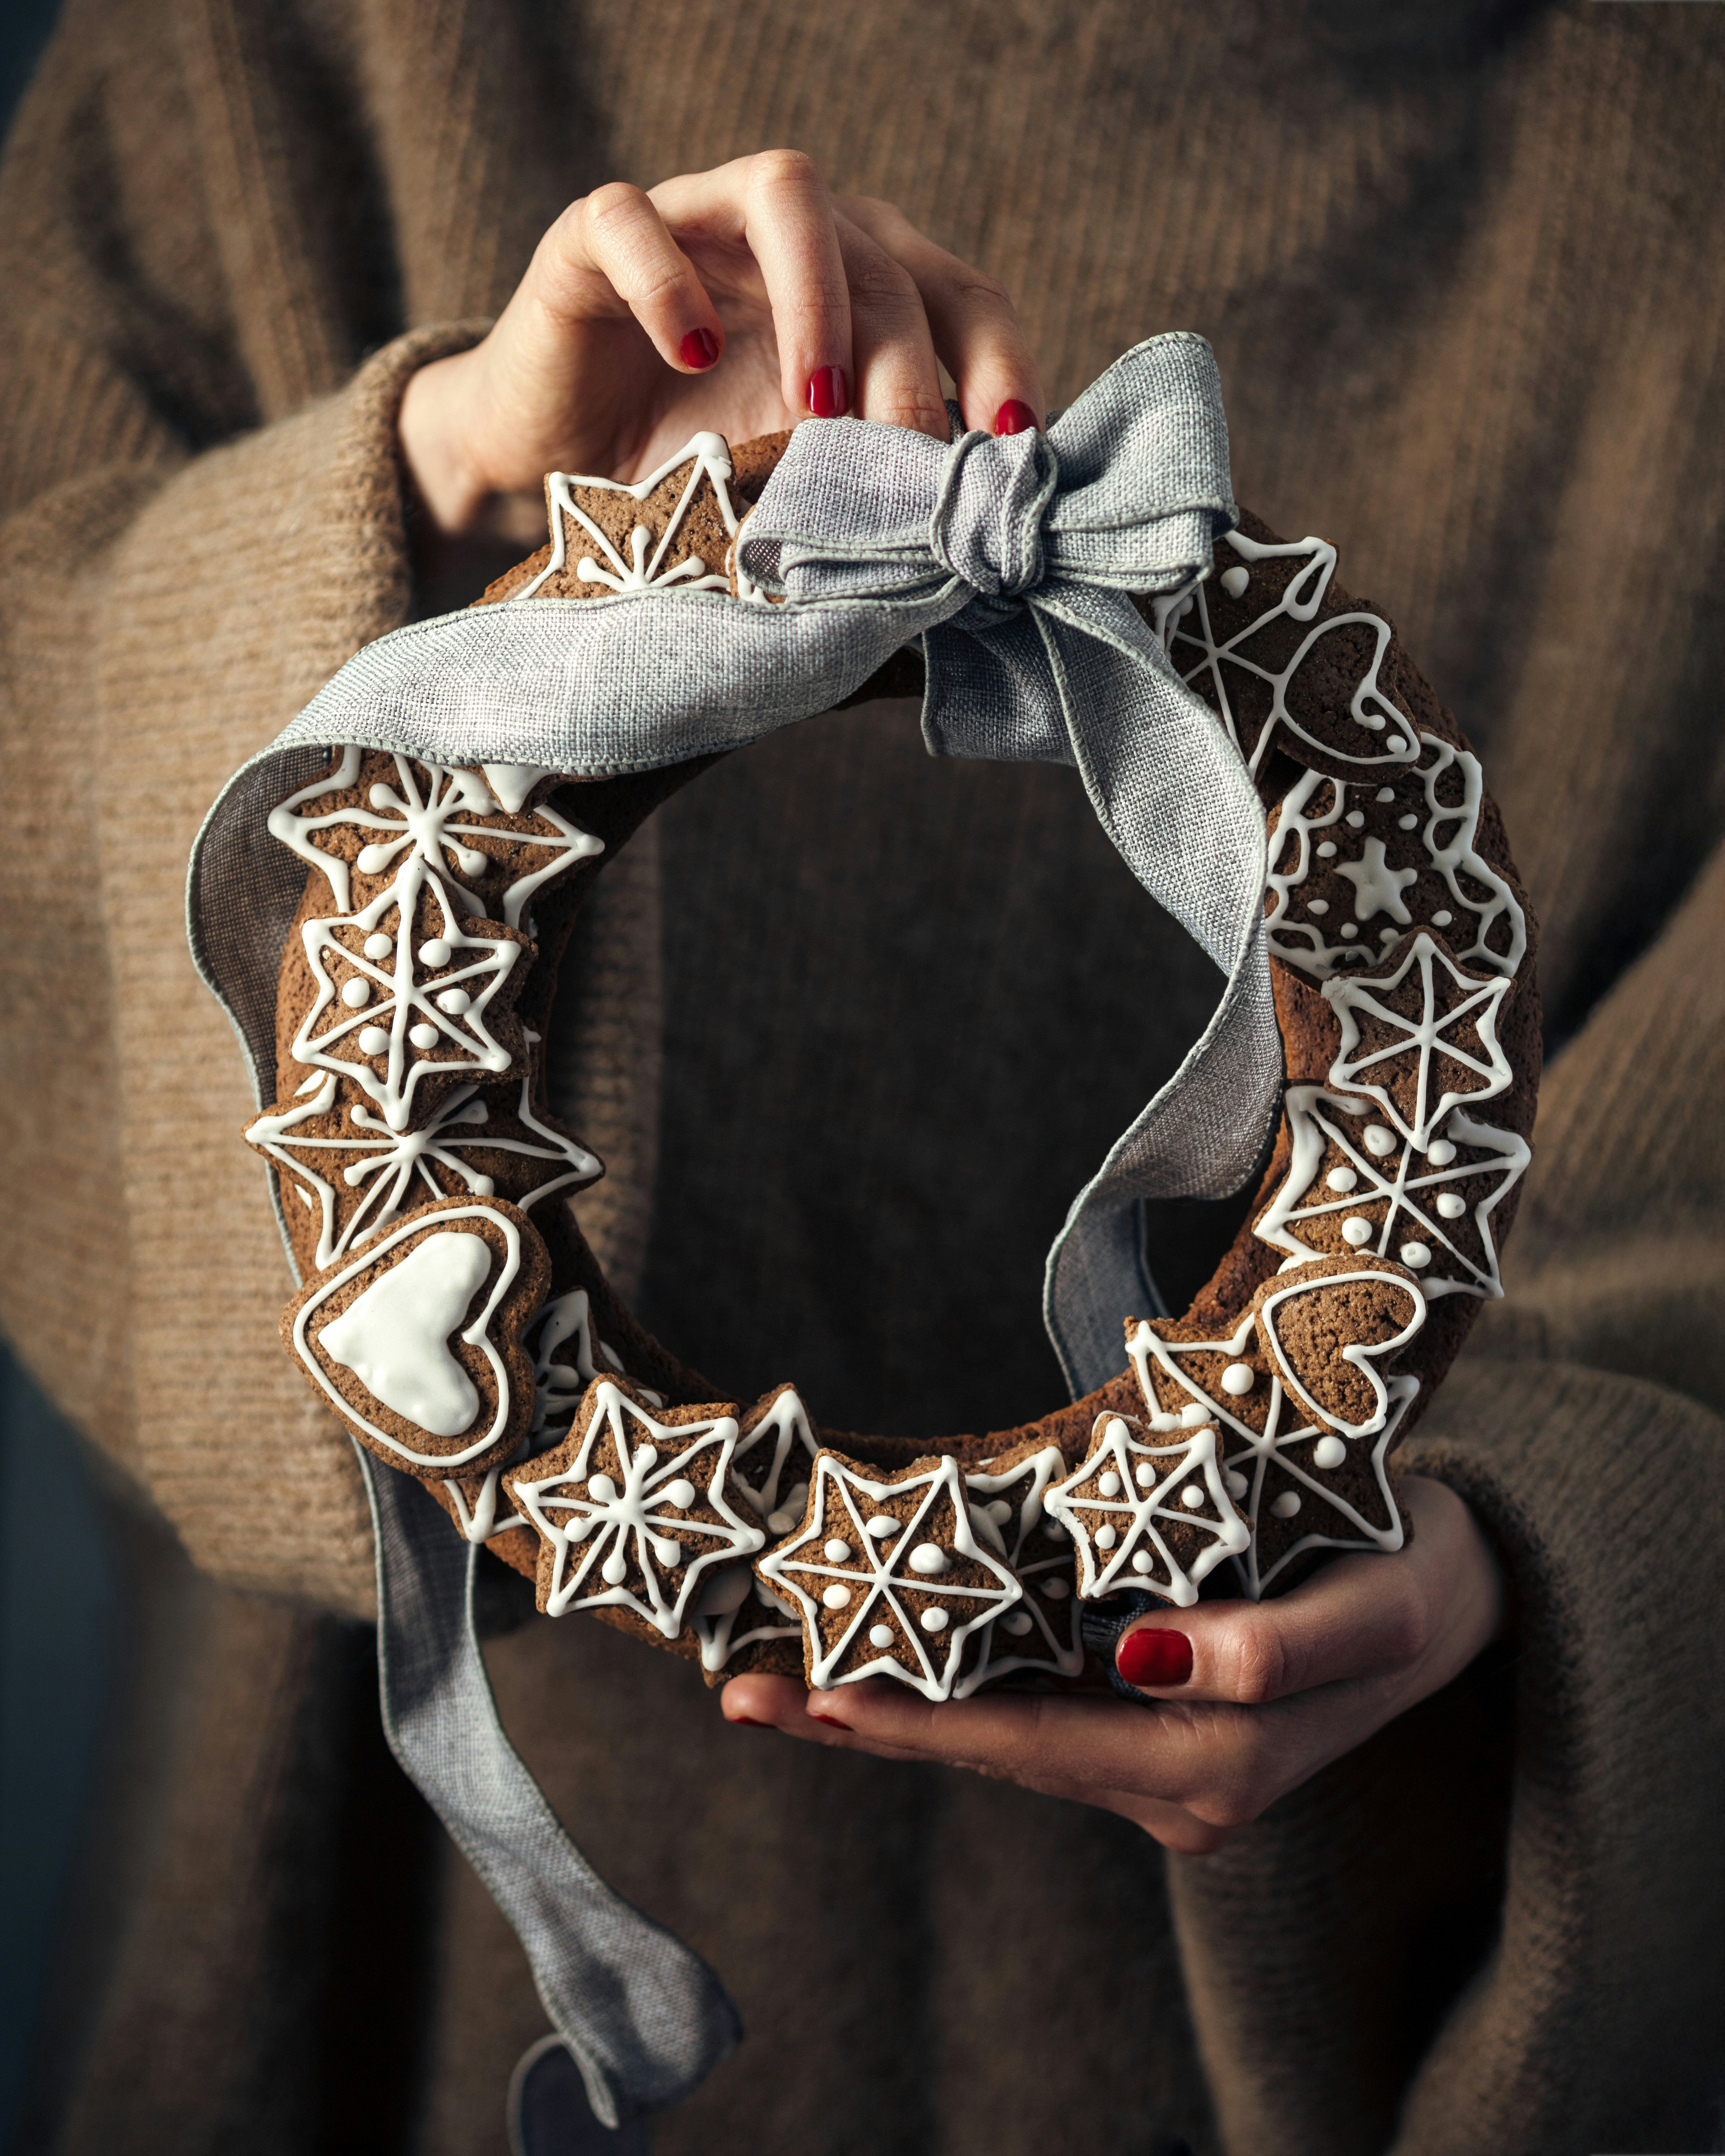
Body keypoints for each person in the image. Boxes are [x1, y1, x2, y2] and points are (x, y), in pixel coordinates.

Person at [1, 7, 1719, 2153]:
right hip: (380, 1977)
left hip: (1215, 2046)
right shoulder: (283, 52)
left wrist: (1544, 1599)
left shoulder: (1680, 189)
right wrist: (432, 511)